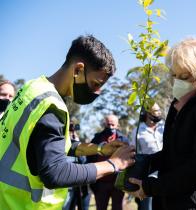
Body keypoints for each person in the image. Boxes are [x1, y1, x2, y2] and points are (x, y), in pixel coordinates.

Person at [0, 35, 135, 210]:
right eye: (95, 84)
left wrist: (100, 149)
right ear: (78, 70)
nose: (97, 92)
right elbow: (55, 172)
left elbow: (53, 145)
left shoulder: (33, 88)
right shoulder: (52, 106)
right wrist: (114, 163)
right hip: (22, 204)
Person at [128, 37, 196, 210]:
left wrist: (152, 187)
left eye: (185, 76)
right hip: (177, 200)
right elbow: (175, 153)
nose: (178, 81)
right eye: (175, 76)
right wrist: (141, 162)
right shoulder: (182, 105)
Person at [87, 114, 129, 210]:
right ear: (104, 124)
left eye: (113, 125)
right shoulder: (96, 139)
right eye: (108, 124)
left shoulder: (124, 140)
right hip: (100, 183)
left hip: (117, 184)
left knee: (117, 207)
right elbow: (89, 158)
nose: (110, 127)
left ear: (117, 125)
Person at [130, 103, 164, 210]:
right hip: (147, 174)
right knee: (147, 206)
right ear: (147, 113)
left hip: (165, 172)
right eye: (156, 111)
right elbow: (133, 152)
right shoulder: (138, 131)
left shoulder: (165, 127)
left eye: (159, 110)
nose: (159, 113)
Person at [62, 120, 91, 210]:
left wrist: (77, 145)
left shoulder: (75, 142)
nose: (71, 132)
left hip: (76, 186)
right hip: (64, 187)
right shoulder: (58, 143)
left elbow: (83, 162)